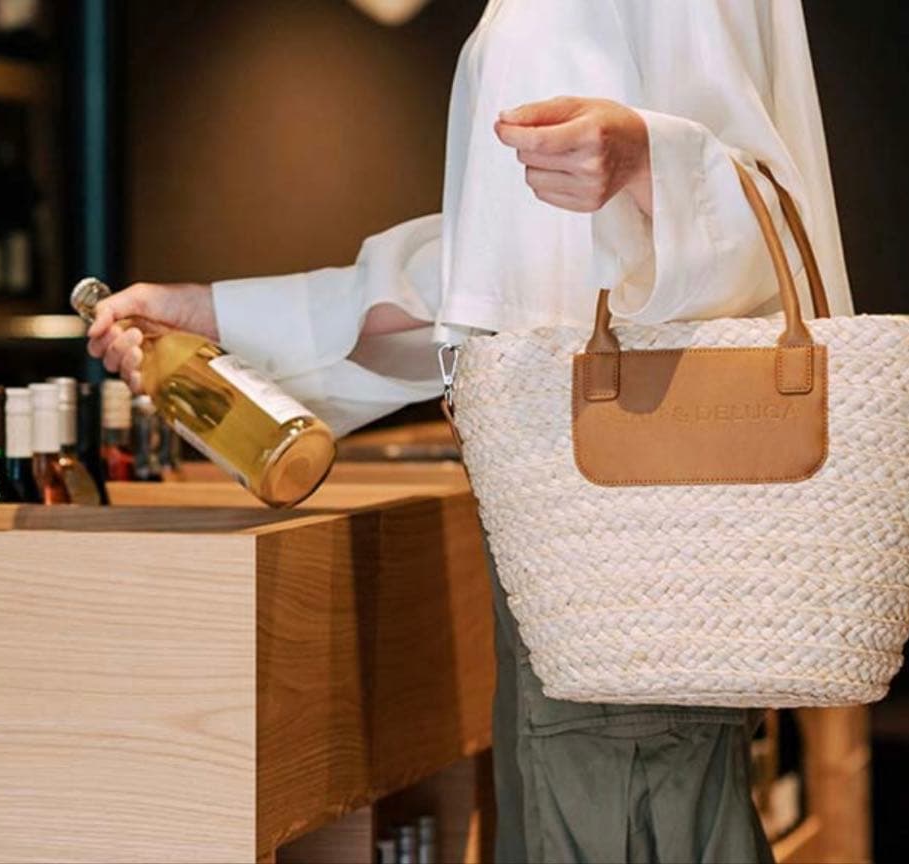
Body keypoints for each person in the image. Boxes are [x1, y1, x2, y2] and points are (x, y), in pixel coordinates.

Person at [87, 2, 853, 861]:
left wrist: (649, 161)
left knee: (622, 804)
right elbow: (498, 282)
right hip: (561, 534)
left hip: (626, 538)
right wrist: (218, 315)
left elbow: (769, 218)